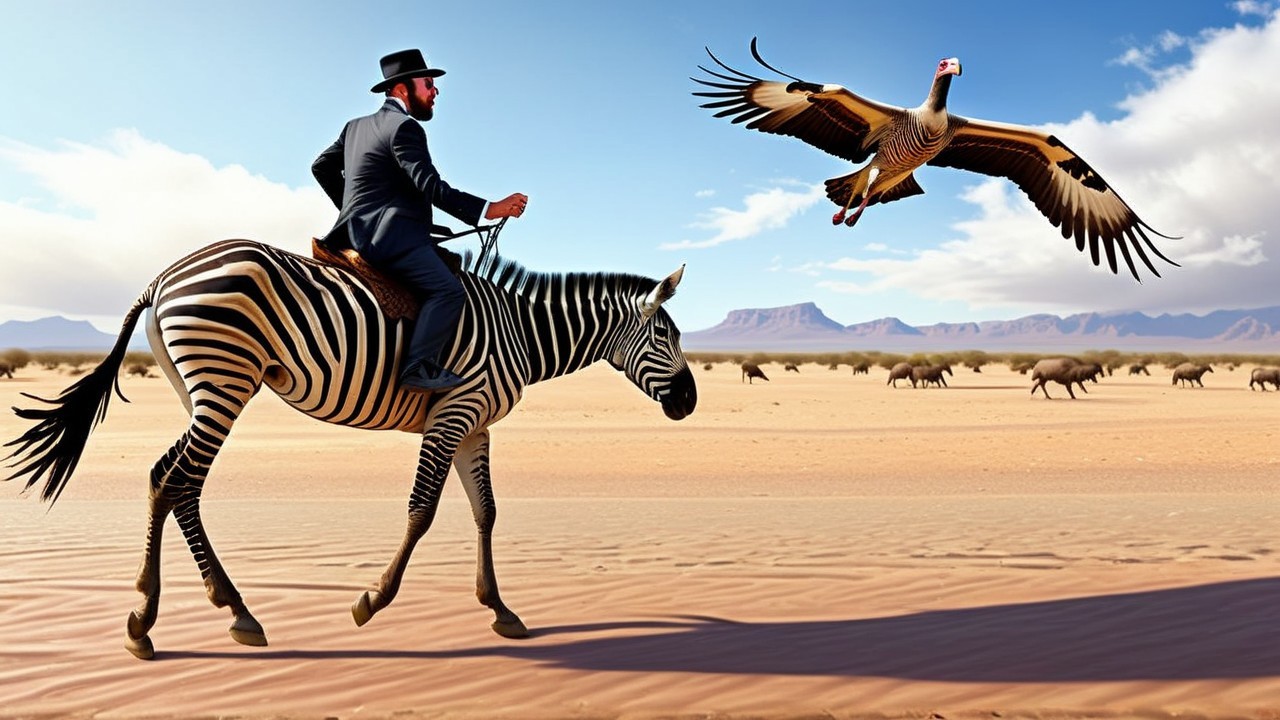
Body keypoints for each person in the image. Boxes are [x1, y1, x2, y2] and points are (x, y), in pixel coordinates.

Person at [313, 48, 528, 393]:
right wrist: (491, 208)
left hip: (350, 235)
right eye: (427, 83)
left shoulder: (354, 127)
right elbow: (431, 187)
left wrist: (354, 210)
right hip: (389, 242)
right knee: (449, 291)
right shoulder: (405, 128)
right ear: (401, 89)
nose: (435, 91)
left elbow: (320, 167)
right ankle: (417, 367)